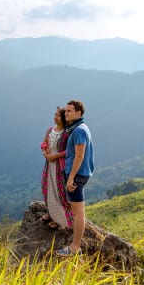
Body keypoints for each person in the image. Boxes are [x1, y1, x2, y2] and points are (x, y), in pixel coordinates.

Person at [58, 99, 94, 257]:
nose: (66, 113)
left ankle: (74, 247)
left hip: (77, 174)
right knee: (75, 211)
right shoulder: (79, 127)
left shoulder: (78, 130)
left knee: (78, 213)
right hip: (78, 173)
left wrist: (71, 177)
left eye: (70, 111)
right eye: (65, 111)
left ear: (79, 113)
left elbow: (79, 156)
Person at [39, 106, 72, 230]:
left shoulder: (66, 134)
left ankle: (61, 220)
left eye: (58, 115)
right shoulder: (50, 130)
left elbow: (69, 150)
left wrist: (55, 156)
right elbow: (44, 144)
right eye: (55, 114)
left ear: (64, 119)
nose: (55, 117)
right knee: (46, 187)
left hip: (59, 166)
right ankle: (50, 213)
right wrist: (45, 153)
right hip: (49, 164)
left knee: (59, 192)